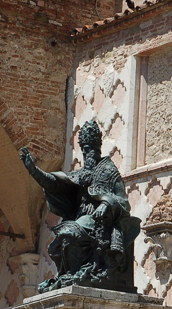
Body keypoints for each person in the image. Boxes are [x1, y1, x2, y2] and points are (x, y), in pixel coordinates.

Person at [19, 119, 141, 294]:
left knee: (70, 233)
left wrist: (106, 204)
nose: (87, 153)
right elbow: (54, 183)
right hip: (81, 218)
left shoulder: (109, 171)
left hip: (99, 220)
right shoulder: (81, 173)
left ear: (97, 147)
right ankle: (73, 275)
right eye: (84, 149)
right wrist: (34, 170)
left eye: (90, 149)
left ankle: (83, 274)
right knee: (56, 245)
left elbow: (123, 201)